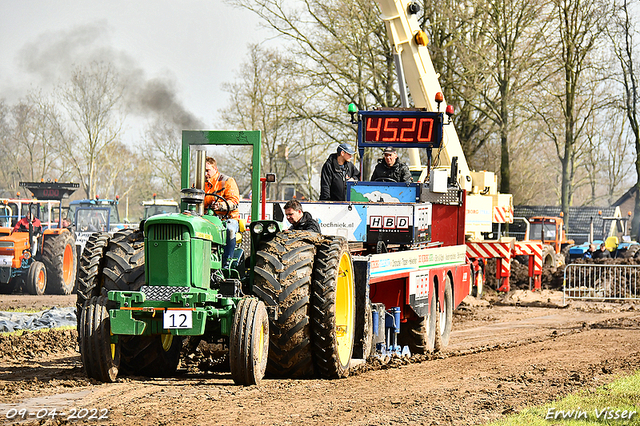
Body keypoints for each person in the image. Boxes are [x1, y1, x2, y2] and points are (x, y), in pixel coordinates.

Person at [204, 156, 240, 267]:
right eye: (203, 171)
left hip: (226, 219)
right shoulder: (199, 184)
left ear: (215, 168)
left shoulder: (227, 181)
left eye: (207, 170)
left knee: (229, 230)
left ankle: (227, 261)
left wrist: (220, 206)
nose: (205, 174)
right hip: (206, 219)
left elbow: (234, 202)